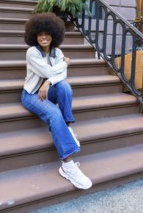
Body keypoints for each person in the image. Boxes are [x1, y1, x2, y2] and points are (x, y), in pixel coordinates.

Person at [21, 12, 92, 190]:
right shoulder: (32, 52)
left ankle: (67, 127)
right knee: (54, 112)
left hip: (48, 90)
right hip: (31, 95)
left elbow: (59, 76)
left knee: (64, 87)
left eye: (47, 34)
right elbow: (52, 71)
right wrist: (66, 63)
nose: (44, 37)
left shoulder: (57, 52)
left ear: (54, 35)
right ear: (34, 35)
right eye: (40, 34)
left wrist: (48, 82)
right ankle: (68, 165)